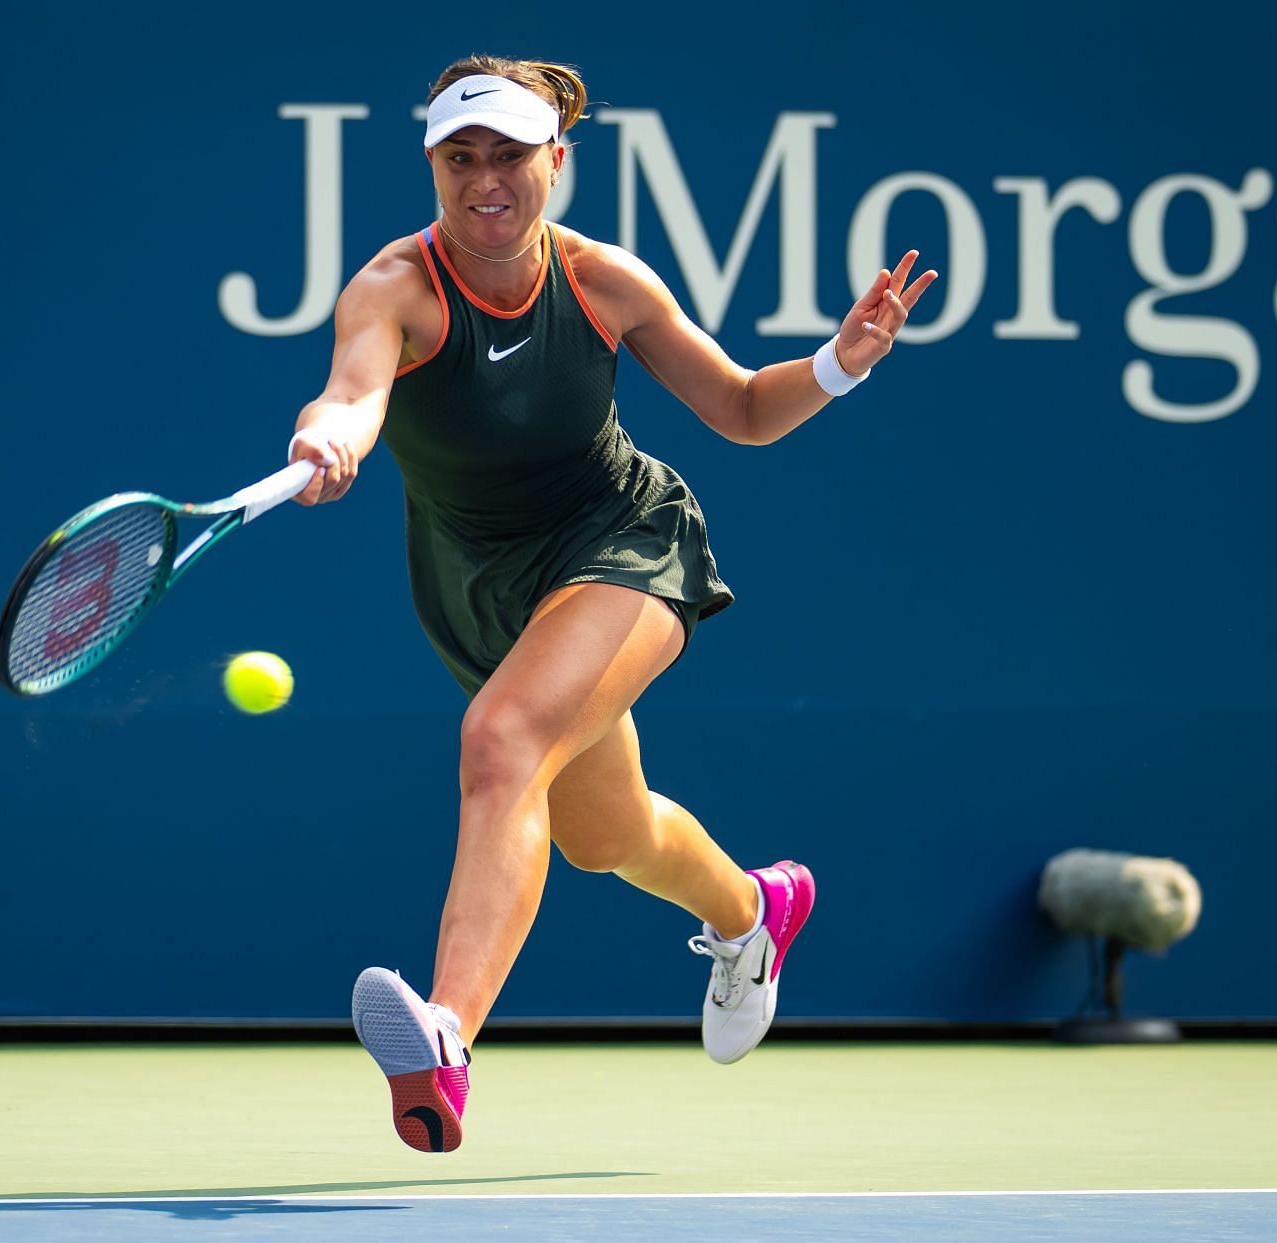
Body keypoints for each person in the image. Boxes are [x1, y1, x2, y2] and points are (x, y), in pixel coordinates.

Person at [285, 55, 935, 1153]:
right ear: (433, 166)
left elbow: (737, 407)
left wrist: (838, 363)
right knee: (604, 832)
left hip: (623, 543)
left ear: (557, 162)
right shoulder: (394, 287)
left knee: (501, 741)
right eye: (460, 158)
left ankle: (445, 1038)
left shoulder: (603, 280)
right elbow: (353, 393)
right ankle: (751, 915)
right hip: (480, 589)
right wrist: (329, 440)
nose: (485, 179)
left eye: (509, 156)